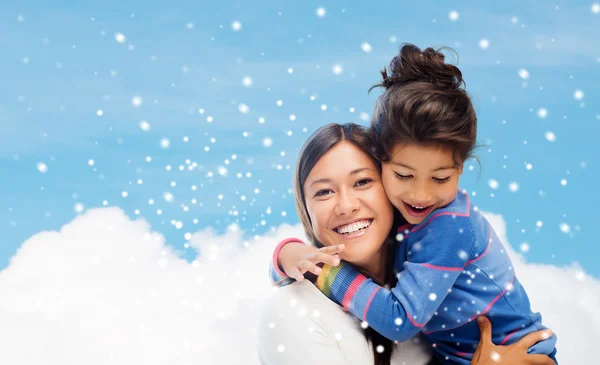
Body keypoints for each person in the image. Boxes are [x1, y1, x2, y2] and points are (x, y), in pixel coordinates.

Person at [268, 44, 558, 364]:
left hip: (517, 354)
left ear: (461, 169)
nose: (421, 195)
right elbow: (288, 272)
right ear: (383, 163)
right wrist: (287, 254)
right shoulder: (406, 221)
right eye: (404, 175)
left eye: (440, 178)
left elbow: (398, 321)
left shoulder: (449, 226)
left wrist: (324, 271)